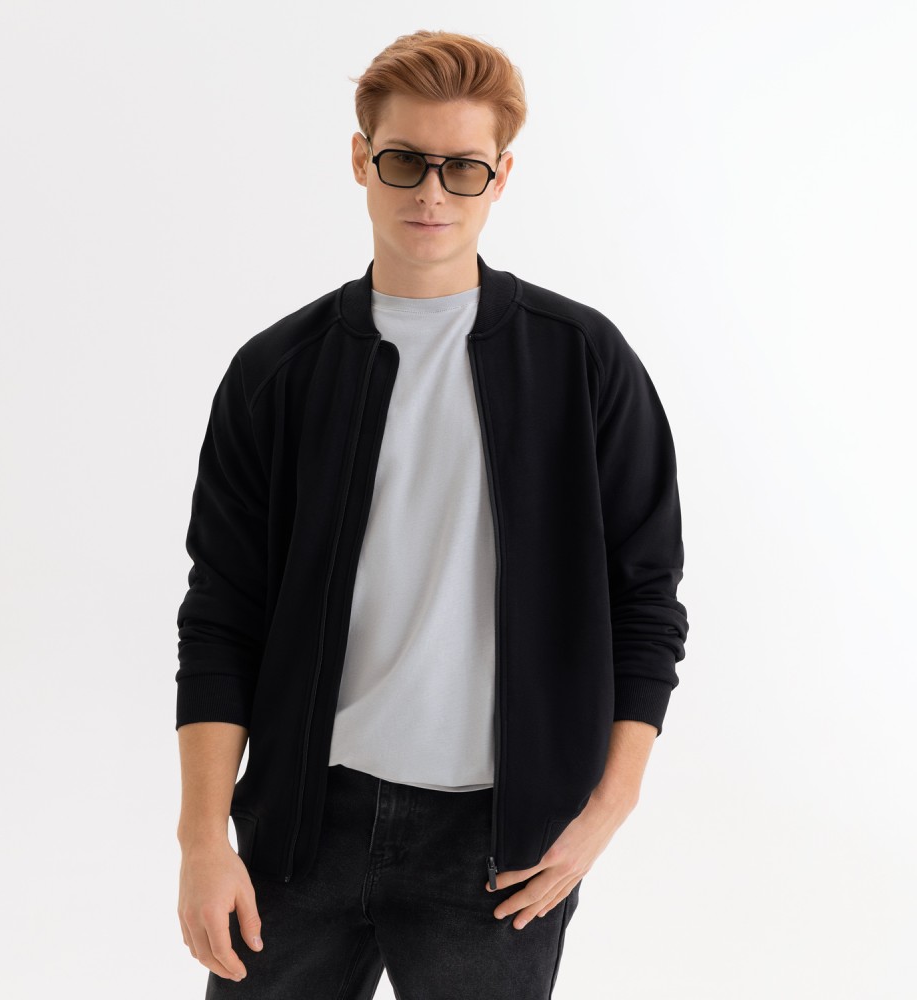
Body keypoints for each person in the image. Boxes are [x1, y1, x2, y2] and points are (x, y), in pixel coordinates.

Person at [175, 29, 689, 1000]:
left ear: (501, 176)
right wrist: (203, 837)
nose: (432, 194)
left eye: (464, 168)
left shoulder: (582, 362)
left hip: (499, 849)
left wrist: (605, 811)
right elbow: (221, 614)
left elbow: (646, 601)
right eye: (406, 161)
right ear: (361, 159)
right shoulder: (278, 372)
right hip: (300, 827)